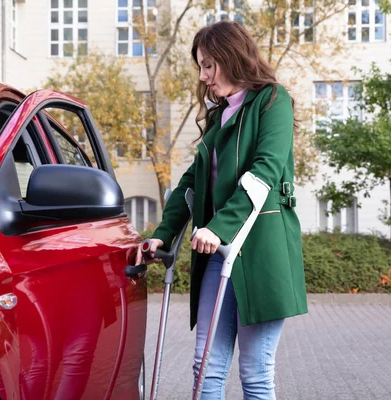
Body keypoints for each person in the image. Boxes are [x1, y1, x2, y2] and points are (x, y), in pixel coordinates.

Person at [137, 21, 308, 400]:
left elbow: (264, 170)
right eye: (201, 67)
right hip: (218, 256)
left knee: (256, 373)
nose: (204, 76)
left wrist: (219, 227)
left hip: (261, 255)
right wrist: (162, 235)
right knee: (205, 369)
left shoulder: (273, 101)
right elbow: (190, 183)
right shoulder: (219, 116)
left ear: (232, 56)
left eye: (209, 65)